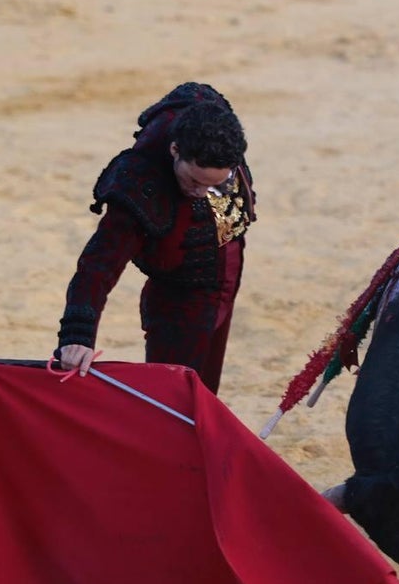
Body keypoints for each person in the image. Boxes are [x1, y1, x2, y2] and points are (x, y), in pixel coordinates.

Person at [54, 82, 256, 394]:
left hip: (226, 278)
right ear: (175, 150)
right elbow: (98, 263)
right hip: (180, 299)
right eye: (194, 181)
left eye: (214, 184)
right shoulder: (141, 181)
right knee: (173, 396)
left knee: (202, 392)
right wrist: (76, 336)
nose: (202, 193)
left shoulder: (216, 129)